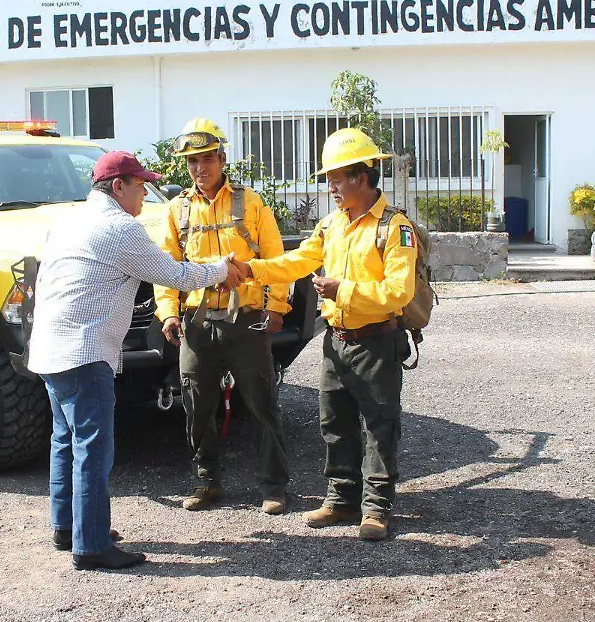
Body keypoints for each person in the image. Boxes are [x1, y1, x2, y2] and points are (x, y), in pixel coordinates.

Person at [28, 150, 243, 571]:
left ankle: (67, 527)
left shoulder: (68, 220)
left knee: (65, 440)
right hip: (84, 352)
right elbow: (177, 276)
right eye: (140, 185)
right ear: (118, 186)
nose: (145, 194)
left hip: (50, 349)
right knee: (93, 448)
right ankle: (90, 547)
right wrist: (221, 269)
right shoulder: (119, 228)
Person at [229, 128, 418, 541]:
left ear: (363, 177)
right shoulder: (331, 224)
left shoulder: (394, 228)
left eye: (336, 178)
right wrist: (252, 269)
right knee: (334, 422)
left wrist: (342, 291)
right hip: (337, 341)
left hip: (375, 341)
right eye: (328, 178)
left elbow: (397, 292)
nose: (329, 187)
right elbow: (298, 261)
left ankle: (377, 509)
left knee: (379, 425)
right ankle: (341, 498)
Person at [154, 118, 291, 515]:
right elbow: (166, 267)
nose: (201, 168)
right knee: (196, 407)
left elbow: (276, 259)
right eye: (193, 161)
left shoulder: (250, 203)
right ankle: (206, 481)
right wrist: (167, 312)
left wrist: (277, 307)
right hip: (197, 322)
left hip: (246, 319)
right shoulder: (175, 210)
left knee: (262, 405)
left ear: (222, 158)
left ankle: (274, 487)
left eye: (208, 159)